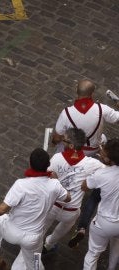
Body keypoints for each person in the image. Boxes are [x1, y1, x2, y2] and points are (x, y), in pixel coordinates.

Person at [0, 148, 71, 270]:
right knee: (35, 262)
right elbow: (68, 198)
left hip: (11, 231)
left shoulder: (21, 185)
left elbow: (1, 209)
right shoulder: (54, 185)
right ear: (48, 165)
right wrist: (56, 180)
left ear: (30, 164)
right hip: (33, 239)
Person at [51, 79, 119, 248]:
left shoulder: (67, 113)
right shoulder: (102, 109)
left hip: (72, 149)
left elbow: (56, 137)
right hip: (92, 150)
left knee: (57, 163)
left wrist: (61, 139)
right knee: (102, 141)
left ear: (77, 92)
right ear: (92, 94)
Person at [42, 128, 105, 253]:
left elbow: (44, 175)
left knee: (41, 229)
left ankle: (35, 246)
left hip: (52, 205)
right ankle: (49, 245)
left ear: (71, 145)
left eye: (63, 140)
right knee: (63, 228)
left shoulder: (57, 158)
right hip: (71, 211)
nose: (61, 141)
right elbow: (108, 171)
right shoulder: (92, 163)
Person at [81, 138, 119, 270]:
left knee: (93, 254)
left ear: (110, 160)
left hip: (104, 222)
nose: (101, 153)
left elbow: (85, 186)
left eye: (104, 154)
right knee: (116, 246)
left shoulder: (101, 174)